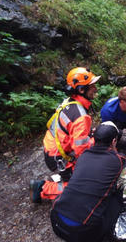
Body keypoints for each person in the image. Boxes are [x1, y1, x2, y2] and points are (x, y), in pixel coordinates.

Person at [30, 67, 100, 203]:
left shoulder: (70, 102)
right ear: (81, 90)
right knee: (85, 186)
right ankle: (42, 188)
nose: (95, 89)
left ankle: (67, 176)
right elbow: (82, 150)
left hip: (55, 150)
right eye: (92, 86)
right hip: (59, 157)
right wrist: (96, 142)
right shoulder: (80, 115)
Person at [50, 121, 126, 242]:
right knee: (118, 195)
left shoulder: (83, 156)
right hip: (82, 231)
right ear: (113, 141)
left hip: (56, 221)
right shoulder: (119, 160)